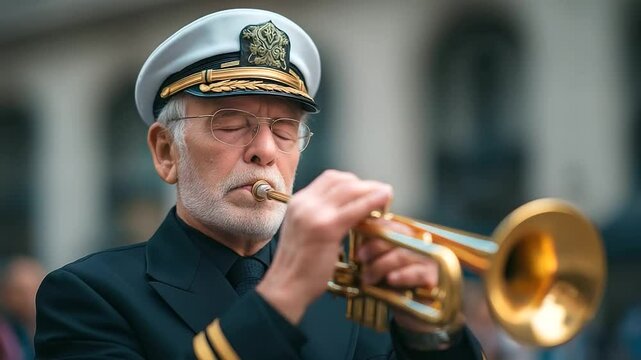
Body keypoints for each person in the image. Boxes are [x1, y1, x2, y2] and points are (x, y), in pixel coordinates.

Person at [34, 8, 483, 359]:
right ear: (166, 152)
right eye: (231, 124)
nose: (265, 150)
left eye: (285, 129)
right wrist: (283, 294)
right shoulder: (87, 297)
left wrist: (431, 338)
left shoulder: (360, 293)